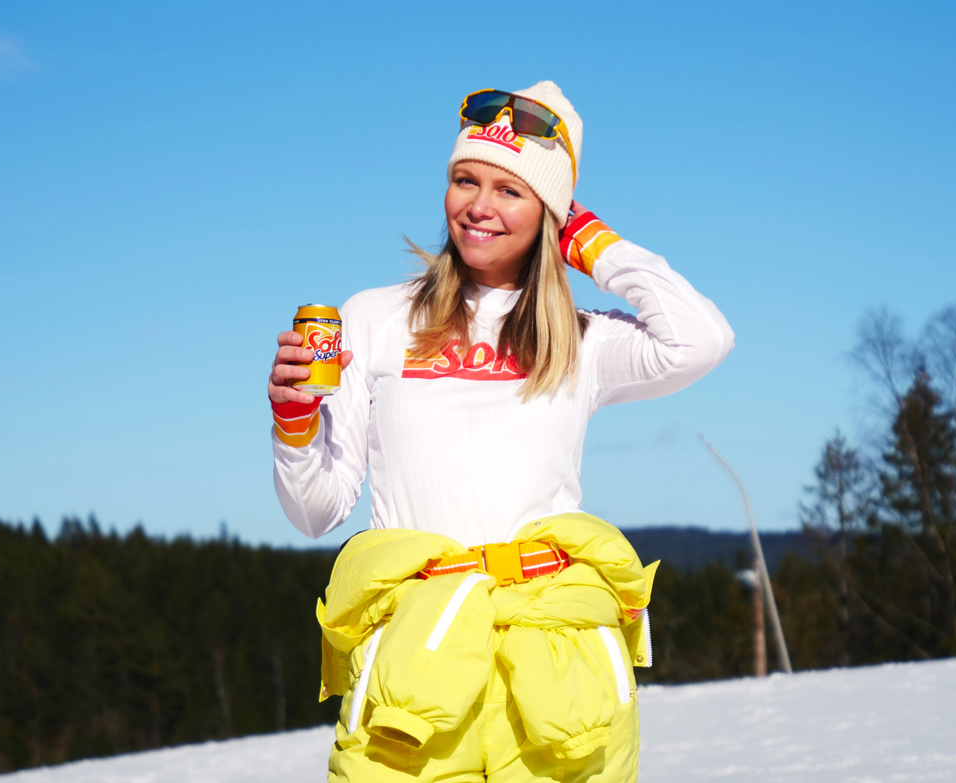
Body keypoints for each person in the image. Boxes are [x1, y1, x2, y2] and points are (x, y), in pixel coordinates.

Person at [268, 81, 732, 782]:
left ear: (550, 210)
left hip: (555, 669)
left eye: (510, 190)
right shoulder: (373, 319)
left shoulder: (580, 339)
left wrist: (594, 244)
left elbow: (702, 339)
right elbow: (315, 509)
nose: (478, 205)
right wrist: (295, 422)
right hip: (415, 672)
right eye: (464, 180)